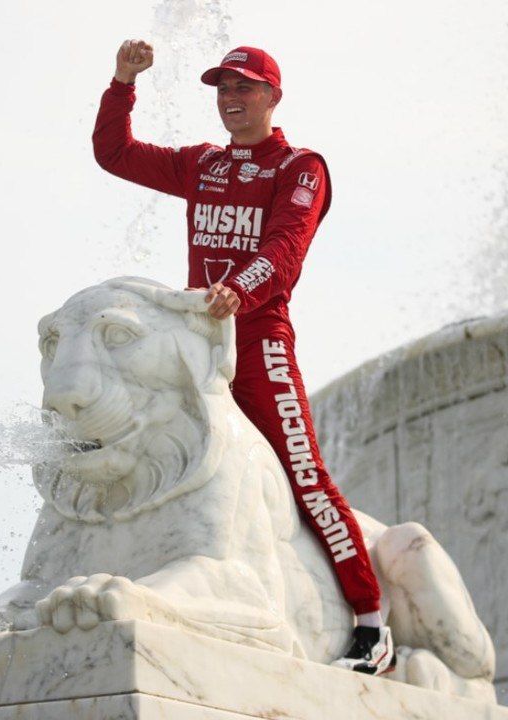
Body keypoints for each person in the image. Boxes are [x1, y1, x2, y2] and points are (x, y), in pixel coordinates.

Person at [92, 39, 395, 676]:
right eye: (223, 90)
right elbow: (113, 153)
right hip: (200, 342)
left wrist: (241, 288)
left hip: (259, 343)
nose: (231, 100)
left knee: (305, 475)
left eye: (244, 88)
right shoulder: (203, 164)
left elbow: (287, 246)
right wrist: (123, 83)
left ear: (272, 96)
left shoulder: (301, 166)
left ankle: (370, 626)